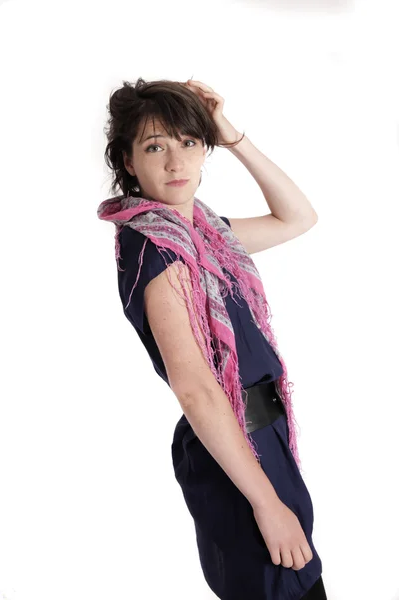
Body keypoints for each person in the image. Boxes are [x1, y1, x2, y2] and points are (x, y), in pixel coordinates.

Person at [97, 76, 327, 600]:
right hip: (232, 453)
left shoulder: (206, 234)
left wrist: (231, 135)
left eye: (190, 142)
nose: (177, 163)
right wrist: (266, 504)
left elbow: (298, 217)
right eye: (155, 146)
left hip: (260, 437)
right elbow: (197, 389)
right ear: (129, 162)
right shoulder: (159, 252)